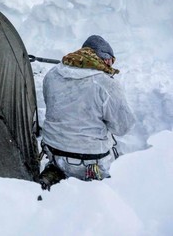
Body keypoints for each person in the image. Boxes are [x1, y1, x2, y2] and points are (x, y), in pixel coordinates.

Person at [39, 35, 135, 189]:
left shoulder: (52, 74)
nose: (111, 65)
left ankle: (55, 174)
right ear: (103, 58)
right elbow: (123, 127)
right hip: (92, 159)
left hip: (54, 151)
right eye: (111, 59)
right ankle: (95, 188)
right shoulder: (105, 83)